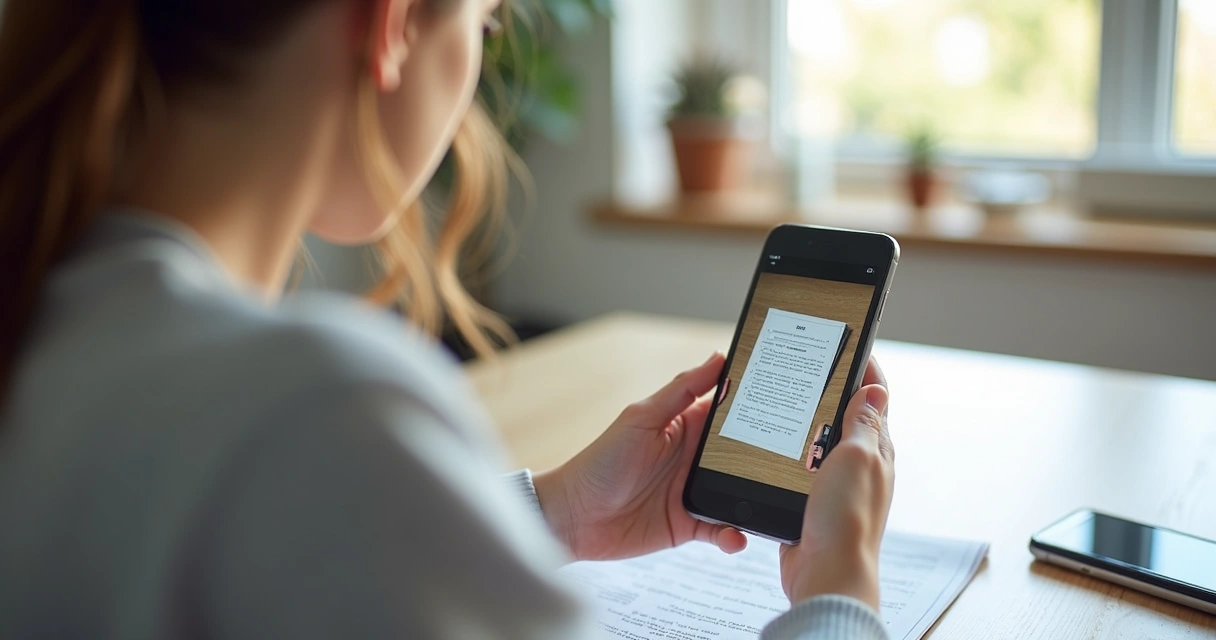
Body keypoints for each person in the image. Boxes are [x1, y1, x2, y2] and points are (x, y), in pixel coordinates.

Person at [0, 1, 896, 638]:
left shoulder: (59, 318)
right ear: (391, 25)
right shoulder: (311, 405)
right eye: (487, 19)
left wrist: (550, 514)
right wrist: (838, 589)